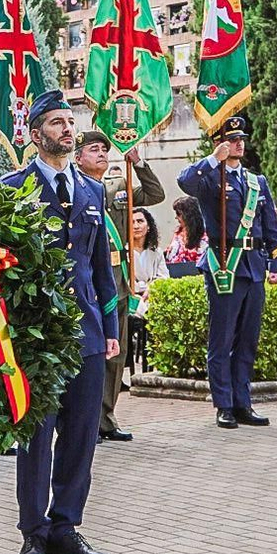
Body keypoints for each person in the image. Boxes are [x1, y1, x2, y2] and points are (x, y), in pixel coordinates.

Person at [1, 91, 118, 554]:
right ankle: (34, 534)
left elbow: (100, 268)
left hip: (87, 333)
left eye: (70, 122)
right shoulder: (12, 189)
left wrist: (110, 327)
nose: (68, 129)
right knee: (36, 434)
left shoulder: (92, 191)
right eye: (56, 123)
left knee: (82, 435)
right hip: (35, 336)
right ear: (35, 135)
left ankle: (66, 525)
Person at [178, 116, 277, 429]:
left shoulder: (256, 182)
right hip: (225, 265)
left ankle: (243, 402)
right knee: (222, 340)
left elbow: (271, 227)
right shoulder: (210, 178)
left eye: (241, 139)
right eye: (232, 139)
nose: (239, 144)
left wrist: (276, 264)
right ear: (219, 142)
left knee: (248, 341)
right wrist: (214, 159)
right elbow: (186, 182)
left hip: (253, 267)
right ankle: (223, 405)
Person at [74, 130, 164, 443]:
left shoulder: (117, 187)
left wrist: (137, 162)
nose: (101, 154)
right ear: (78, 157)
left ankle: (106, 418)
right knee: (91, 356)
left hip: (119, 282)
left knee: (117, 354)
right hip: (88, 284)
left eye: (104, 149)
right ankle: (84, 421)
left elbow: (155, 195)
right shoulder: (72, 187)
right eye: (93, 149)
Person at [125, 209, 169, 373]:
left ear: (148, 226)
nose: (136, 226)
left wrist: (151, 288)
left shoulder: (156, 252)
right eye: (133, 222)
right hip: (132, 297)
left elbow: (164, 276)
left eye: (140, 221)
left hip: (150, 297)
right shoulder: (124, 251)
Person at [165, 196, 208, 265]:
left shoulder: (205, 236)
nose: (176, 217)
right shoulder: (178, 232)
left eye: (178, 214)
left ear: (188, 215)